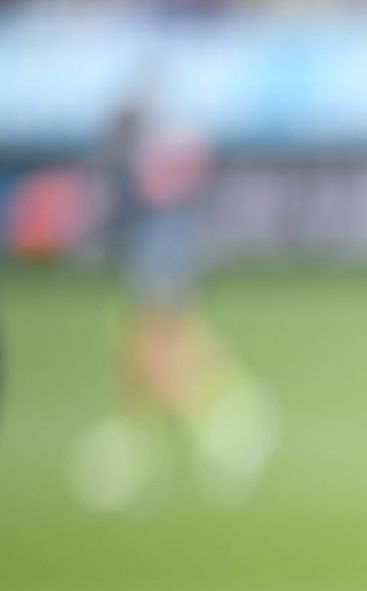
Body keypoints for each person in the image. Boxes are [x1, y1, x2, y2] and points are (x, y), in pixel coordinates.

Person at [70, 94, 278, 512]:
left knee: (155, 343)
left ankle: (209, 419)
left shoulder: (145, 169)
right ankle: (154, 432)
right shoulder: (159, 159)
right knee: (155, 342)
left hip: (163, 260)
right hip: (167, 257)